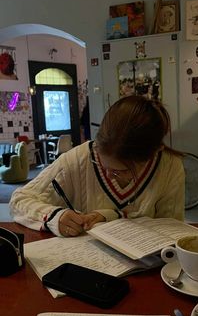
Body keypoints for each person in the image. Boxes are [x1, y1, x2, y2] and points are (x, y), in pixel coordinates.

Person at [10, 95, 185, 237]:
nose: (108, 175)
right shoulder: (79, 158)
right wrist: (55, 216)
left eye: (120, 171)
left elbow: (170, 228)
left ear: (154, 153)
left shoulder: (170, 166)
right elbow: (19, 200)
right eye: (100, 163)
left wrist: (108, 215)